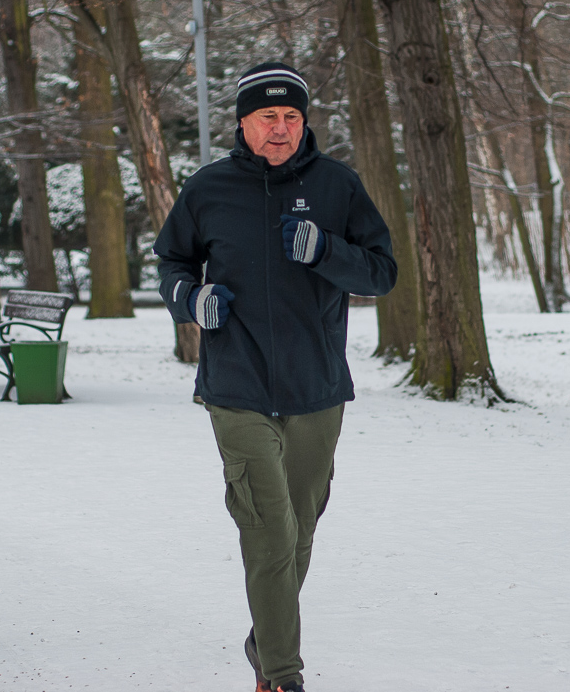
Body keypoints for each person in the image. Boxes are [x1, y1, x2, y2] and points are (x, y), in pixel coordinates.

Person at [154, 63, 397, 692]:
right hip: (235, 385)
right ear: (243, 123)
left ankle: (265, 638)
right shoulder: (209, 189)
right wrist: (190, 298)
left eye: (292, 116)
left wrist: (327, 250)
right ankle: (281, 675)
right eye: (268, 117)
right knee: (268, 530)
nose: (281, 128)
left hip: (316, 386)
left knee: (300, 531)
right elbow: (172, 260)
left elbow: (381, 273)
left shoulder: (339, 186)